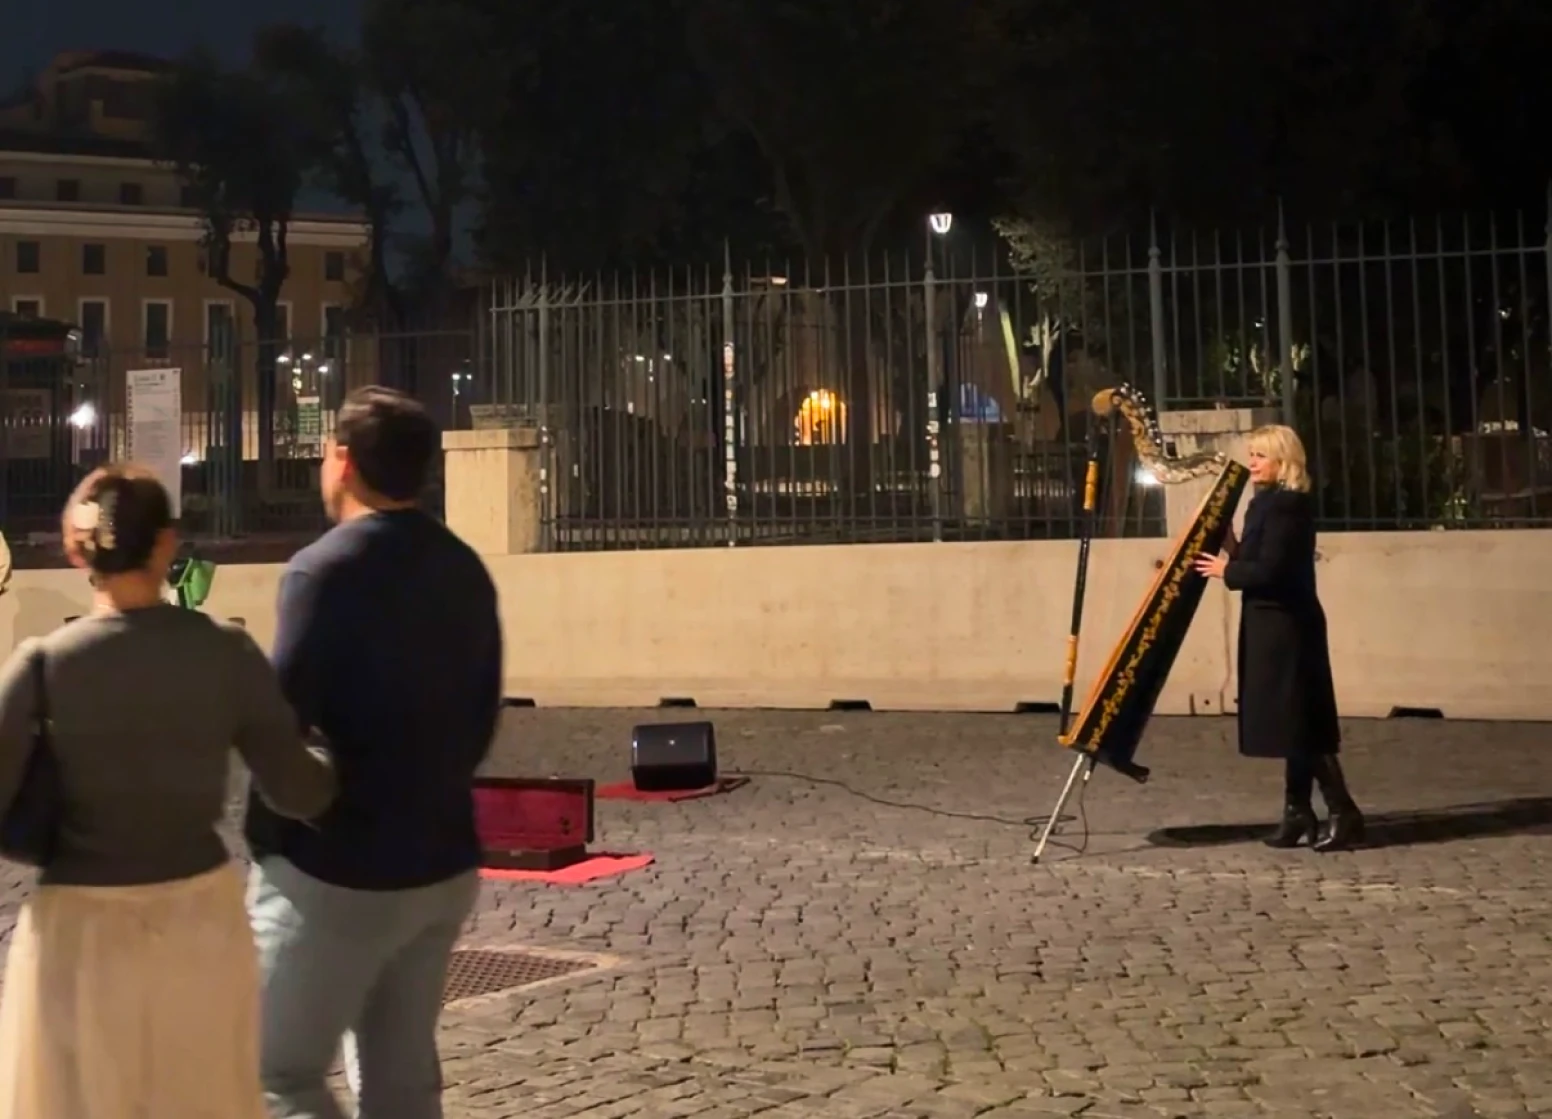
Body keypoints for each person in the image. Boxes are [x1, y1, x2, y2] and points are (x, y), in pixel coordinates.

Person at [0, 465, 335, 1119]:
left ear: (76, 550)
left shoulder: (43, 665)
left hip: (80, 929)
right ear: (167, 544)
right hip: (199, 924)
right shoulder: (225, 652)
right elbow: (299, 789)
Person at [248, 386, 503, 1119]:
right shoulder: (462, 566)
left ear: (344, 460)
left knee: (273, 1072)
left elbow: (278, 725)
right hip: (442, 855)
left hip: (338, 866)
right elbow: (481, 713)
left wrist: (280, 830)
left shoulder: (322, 570)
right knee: (401, 1084)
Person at [1193, 424, 1364, 852]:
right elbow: (1257, 559)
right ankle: (1296, 811)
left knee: (1302, 720)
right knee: (1291, 722)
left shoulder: (1288, 506)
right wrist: (1231, 544)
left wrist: (1225, 571)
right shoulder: (1263, 505)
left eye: (1261, 456)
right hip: (1268, 622)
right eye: (1251, 454)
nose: (1252, 462)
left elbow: (1272, 570)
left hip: (1289, 625)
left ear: (1283, 462)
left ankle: (1344, 812)